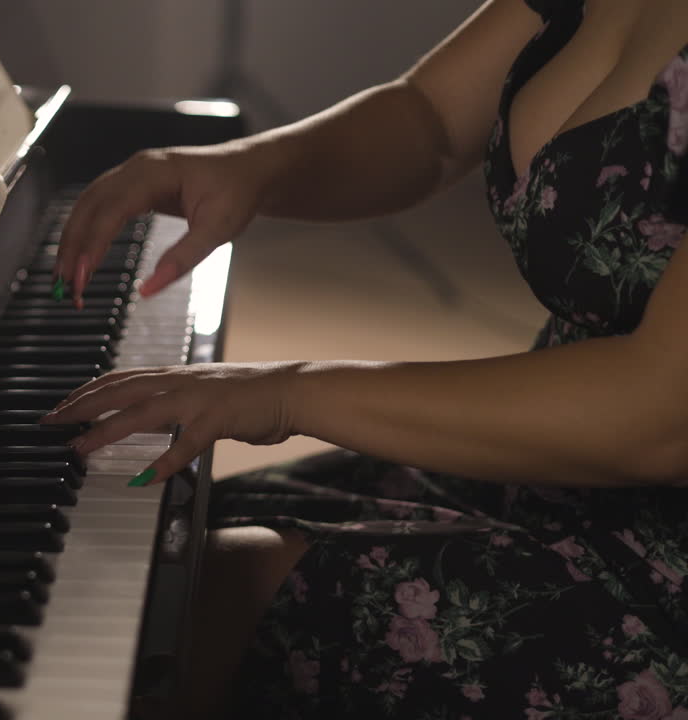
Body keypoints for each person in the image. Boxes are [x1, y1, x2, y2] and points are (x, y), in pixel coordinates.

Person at [43, 0, 688, 717]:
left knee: (205, 599)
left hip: (662, 545)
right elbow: (432, 120)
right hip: (559, 462)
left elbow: (657, 416)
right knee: (173, 537)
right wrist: (254, 165)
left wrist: (288, 393)